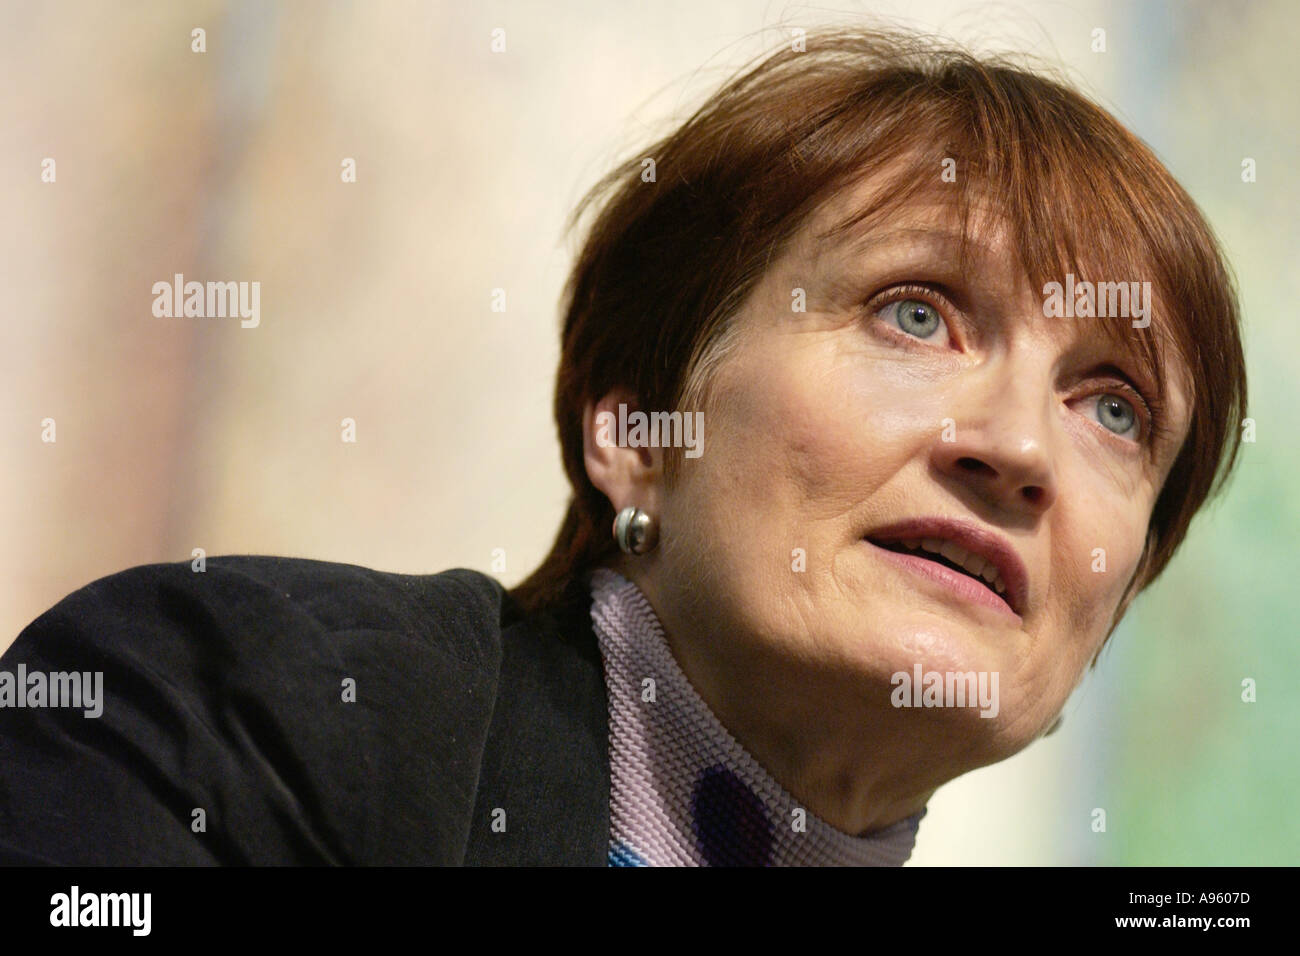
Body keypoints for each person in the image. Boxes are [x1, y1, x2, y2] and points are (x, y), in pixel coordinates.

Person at [0, 27, 1247, 866]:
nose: (1020, 445)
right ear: (633, 428)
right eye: (912, 313)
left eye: (1115, 406)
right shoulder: (246, 705)